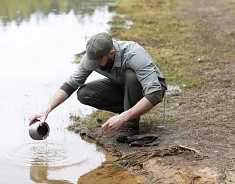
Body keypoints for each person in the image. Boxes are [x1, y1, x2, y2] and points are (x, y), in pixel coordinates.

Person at [29, 32, 167, 143]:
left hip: (147, 90)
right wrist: (46, 109)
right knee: (84, 93)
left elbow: (155, 93)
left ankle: (131, 122)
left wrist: (123, 117)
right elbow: (70, 85)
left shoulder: (134, 54)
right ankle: (129, 110)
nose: (93, 65)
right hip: (123, 88)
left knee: (131, 76)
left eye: (97, 62)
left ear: (111, 53)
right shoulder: (92, 57)